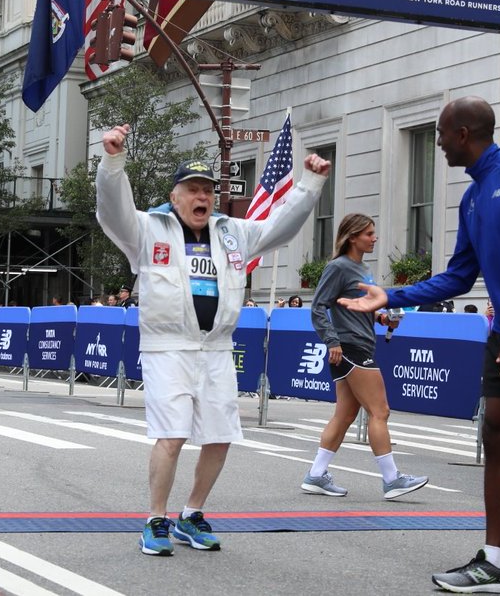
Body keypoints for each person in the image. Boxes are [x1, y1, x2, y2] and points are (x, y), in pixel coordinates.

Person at [339, 96, 500, 596]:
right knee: (496, 435)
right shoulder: (473, 196)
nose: (435, 141)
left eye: (438, 132)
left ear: (463, 134)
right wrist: (394, 295)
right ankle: (496, 563)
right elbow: (459, 276)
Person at [96, 123, 331, 557]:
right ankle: (155, 519)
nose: (202, 196)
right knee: (172, 435)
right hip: (168, 349)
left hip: (218, 349)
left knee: (220, 435)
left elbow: (278, 227)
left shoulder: (232, 233)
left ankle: (192, 514)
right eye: (192, 189)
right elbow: (112, 211)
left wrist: (310, 183)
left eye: (207, 189)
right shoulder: (149, 229)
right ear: (175, 197)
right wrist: (113, 160)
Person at [301, 213, 428, 501]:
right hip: (351, 348)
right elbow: (318, 307)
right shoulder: (339, 267)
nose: (374, 238)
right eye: (369, 233)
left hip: (356, 345)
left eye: (374, 232)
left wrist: (381, 317)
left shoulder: (362, 269)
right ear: (352, 236)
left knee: (345, 414)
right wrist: (332, 341)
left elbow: (359, 306)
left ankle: (316, 475)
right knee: (380, 411)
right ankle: (392, 479)